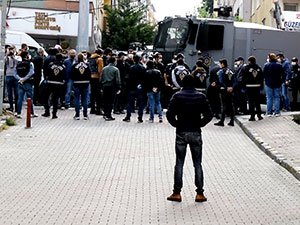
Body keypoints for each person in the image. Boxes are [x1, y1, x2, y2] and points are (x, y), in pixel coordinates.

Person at [166, 75, 213, 202]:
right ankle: (200, 193)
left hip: (181, 132)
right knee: (197, 163)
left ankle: (176, 193)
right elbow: (209, 114)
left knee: (179, 163)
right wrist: (200, 124)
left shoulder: (177, 96)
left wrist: (176, 124)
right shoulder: (200, 96)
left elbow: (169, 114)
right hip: (196, 132)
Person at [14, 51, 37, 119]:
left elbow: (15, 73)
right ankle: (31, 113)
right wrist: (24, 79)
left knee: (20, 98)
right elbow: (31, 72)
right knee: (29, 98)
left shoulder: (18, 64)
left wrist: (20, 79)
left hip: (20, 83)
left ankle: (18, 113)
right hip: (28, 83)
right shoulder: (30, 63)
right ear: (27, 55)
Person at [123, 55, 146, 123]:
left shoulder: (131, 68)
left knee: (130, 103)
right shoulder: (142, 68)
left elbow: (129, 78)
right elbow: (144, 78)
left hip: (132, 87)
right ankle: (140, 118)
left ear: (133, 59)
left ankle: (128, 116)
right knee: (140, 103)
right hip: (140, 87)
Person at [42, 53, 66, 119]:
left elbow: (46, 72)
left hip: (50, 83)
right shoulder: (63, 66)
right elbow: (64, 76)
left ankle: (47, 111)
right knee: (55, 99)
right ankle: (54, 114)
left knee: (46, 97)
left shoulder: (50, 65)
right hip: (59, 84)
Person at [241, 56, 264, 121]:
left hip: (249, 87)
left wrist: (243, 87)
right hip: (257, 87)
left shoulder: (246, 68)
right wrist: (262, 87)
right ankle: (259, 115)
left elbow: (243, 78)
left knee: (251, 102)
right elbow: (261, 78)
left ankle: (252, 116)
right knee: (257, 102)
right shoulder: (259, 68)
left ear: (249, 61)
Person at [214, 59, 236, 127]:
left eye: (220, 64)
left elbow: (221, 81)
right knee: (231, 105)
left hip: (224, 90)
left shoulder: (221, 71)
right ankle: (232, 121)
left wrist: (226, 88)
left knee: (223, 106)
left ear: (222, 64)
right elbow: (235, 81)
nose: (219, 65)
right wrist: (232, 87)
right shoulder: (231, 71)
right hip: (231, 90)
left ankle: (222, 121)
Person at [70, 53, 91, 120]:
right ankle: (85, 115)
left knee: (77, 99)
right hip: (85, 83)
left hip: (77, 83)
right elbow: (90, 74)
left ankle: (77, 115)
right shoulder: (87, 65)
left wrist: (74, 81)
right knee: (85, 99)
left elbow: (71, 74)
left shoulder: (74, 65)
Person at [100, 57, 121, 121]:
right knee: (111, 101)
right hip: (112, 86)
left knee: (105, 100)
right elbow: (117, 80)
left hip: (105, 86)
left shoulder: (104, 69)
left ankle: (105, 113)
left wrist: (101, 86)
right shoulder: (116, 69)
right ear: (114, 61)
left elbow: (101, 78)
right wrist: (118, 88)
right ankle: (109, 115)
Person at [89, 49, 104, 115]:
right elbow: (100, 69)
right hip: (97, 77)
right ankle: (98, 109)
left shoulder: (90, 58)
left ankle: (92, 109)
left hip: (91, 77)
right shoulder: (99, 59)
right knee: (98, 94)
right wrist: (101, 77)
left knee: (92, 94)